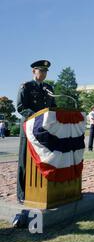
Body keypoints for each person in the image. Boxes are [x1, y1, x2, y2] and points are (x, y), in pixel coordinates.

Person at [16, 60, 57, 203]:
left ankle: (40, 190)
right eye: (41, 71)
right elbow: (21, 107)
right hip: (29, 128)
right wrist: (37, 118)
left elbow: (53, 107)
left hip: (45, 130)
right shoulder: (26, 86)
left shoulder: (48, 87)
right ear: (34, 71)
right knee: (25, 160)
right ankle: (22, 194)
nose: (44, 74)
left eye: (46, 71)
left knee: (43, 159)